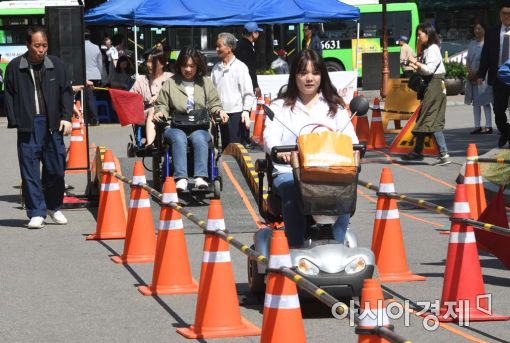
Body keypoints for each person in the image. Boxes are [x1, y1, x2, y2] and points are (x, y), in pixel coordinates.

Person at [263, 49, 358, 247]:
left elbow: (351, 140)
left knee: (344, 189)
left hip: (328, 171)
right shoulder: (280, 107)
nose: (309, 78)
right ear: (294, 76)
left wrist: (355, 151)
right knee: (292, 189)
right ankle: (295, 249)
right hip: (290, 171)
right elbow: (269, 137)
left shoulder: (335, 108)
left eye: (315, 73)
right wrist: (283, 153)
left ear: (322, 75)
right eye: (303, 73)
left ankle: (337, 246)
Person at [4, 26, 73, 229]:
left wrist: (66, 117)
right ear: (28, 45)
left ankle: (54, 206)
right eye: (37, 45)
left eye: (44, 45)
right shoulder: (15, 67)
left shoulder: (57, 66)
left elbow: (66, 93)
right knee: (30, 170)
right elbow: (8, 94)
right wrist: (15, 119)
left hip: (53, 124)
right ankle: (36, 212)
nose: (41, 49)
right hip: (28, 124)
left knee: (56, 168)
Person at [154, 47, 229, 191]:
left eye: (192, 66)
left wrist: (220, 111)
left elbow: (214, 103)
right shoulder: (170, 83)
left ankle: (200, 177)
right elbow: (162, 104)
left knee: (200, 138)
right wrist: (160, 113)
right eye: (185, 66)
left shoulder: (205, 82)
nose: (188, 69)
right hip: (175, 125)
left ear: (197, 66)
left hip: (199, 125)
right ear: (179, 66)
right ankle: (181, 178)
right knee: (179, 137)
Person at [401, 22, 451, 166]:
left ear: (427, 34)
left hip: (435, 86)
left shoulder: (433, 48)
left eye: (419, 35)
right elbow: (425, 69)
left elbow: (429, 70)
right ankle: (418, 151)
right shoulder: (428, 49)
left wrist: (415, 63)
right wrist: (415, 64)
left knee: (431, 119)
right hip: (432, 86)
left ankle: (444, 154)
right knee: (424, 118)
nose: (418, 37)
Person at [211, 32, 255, 150]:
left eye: (219, 46)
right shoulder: (216, 69)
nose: (217, 49)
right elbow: (212, 93)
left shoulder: (240, 68)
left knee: (236, 150)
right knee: (224, 150)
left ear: (229, 48)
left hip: (236, 114)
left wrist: (246, 111)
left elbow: (249, 93)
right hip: (220, 113)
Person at [478, 2, 510, 147]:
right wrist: (481, 74)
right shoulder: (492, 32)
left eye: (509, 14)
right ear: (500, 15)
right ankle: (506, 132)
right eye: (504, 13)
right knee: (498, 109)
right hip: (499, 77)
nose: (506, 16)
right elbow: (485, 54)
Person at [130, 52, 172, 147]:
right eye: (147, 61)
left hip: (167, 111)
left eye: (151, 62)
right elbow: (131, 96)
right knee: (152, 110)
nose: (148, 65)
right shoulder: (141, 80)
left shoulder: (170, 78)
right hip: (147, 112)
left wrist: (158, 95)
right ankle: (150, 144)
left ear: (161, 64)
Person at [465, 23, 493, 135]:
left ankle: (488, 126)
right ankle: (477, 126)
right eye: (475, 28)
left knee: (485, 102)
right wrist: (470, 71)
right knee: (475, 102)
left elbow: (487, 62)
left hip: (483, 77)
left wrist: (477, 73)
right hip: (472, 77)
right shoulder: (472, 44)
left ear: (484, 30)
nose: (477, 30)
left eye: (479, 28)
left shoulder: (488, 44)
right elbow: (467, 60)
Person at [235, 22, 263, 98]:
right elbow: (250, 67)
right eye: (258, 32)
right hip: (244, 83)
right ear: (254, 33)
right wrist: (255, 85)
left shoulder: (238, 44)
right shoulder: (247, 47)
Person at [84, 29, 103, 126]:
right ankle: (92, 118)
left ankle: (93, 118)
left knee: (87, 98)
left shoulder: (79, 48)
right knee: (92, 97)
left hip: (84, 75)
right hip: (95, 75)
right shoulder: (96, 47)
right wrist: (102, 76)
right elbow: (100, 64)